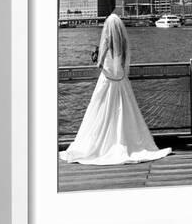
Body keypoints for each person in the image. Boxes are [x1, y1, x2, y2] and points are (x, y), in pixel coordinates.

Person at [59, 13, 172, 165]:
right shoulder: (124, 42)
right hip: (121, 81)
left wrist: (96, 56)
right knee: (125, 112)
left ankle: (104, 143)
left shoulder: (106, 40)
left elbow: (99, 64)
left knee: (101, 111)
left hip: (107, 81)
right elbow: (124, 63)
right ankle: (125, 140)